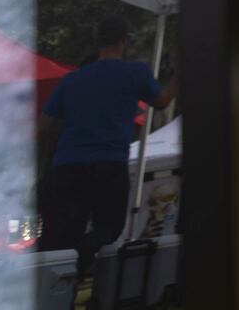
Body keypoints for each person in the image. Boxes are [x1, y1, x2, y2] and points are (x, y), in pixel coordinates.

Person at [41, 19, 173, 260]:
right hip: (108, 163)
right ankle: (81, 254)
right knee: (110, 228)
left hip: (67, 165)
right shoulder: (135, 73)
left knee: (66, 233)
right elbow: (162, 101)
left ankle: (66, 274)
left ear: (97, 41)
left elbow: (45, 124)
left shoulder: (71, 79)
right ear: (123, 41)